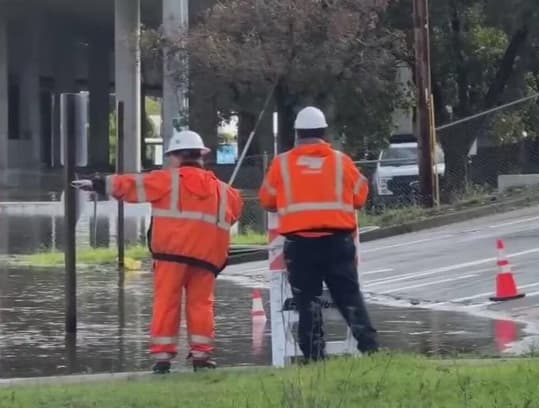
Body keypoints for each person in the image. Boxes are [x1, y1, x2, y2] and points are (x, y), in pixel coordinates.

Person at [72, 130, 243, 374]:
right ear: (201, 157)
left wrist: (98, 182)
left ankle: (163, 358)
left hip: (171, 256)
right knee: (201, 305)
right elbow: (235, 211)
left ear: (176, 157)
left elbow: (132, 185)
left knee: (166, 303)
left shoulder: (168, 180)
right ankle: (201, 356)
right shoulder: (225, 191)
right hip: (206, 259)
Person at [259, 106, 379, 363]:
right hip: (338, 242)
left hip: (301, 246)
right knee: (349, 297)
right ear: (324, 133)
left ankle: (314, 357)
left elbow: (267, 200)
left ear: (296, 134)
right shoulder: (341, 161)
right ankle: (371, 348)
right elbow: (361, 195)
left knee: (307, 302)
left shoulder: (282, 164)